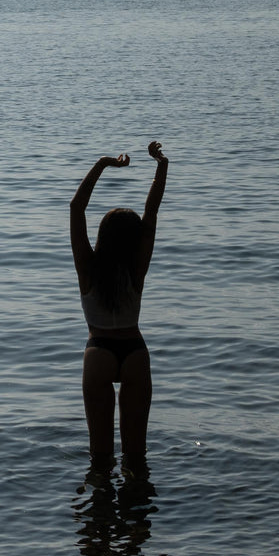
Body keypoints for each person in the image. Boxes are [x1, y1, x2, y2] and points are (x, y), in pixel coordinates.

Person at [70, 141, 169, 462]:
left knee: (100, 459)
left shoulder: (88, 267)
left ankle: (100, 506)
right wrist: (161, 165)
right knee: (135, 457)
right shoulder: (136, 269)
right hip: (135, 353)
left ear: (103, 235)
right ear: (134, 240)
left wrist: (103, 164)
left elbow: (76, 209)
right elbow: (152, 211)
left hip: (98, 352)